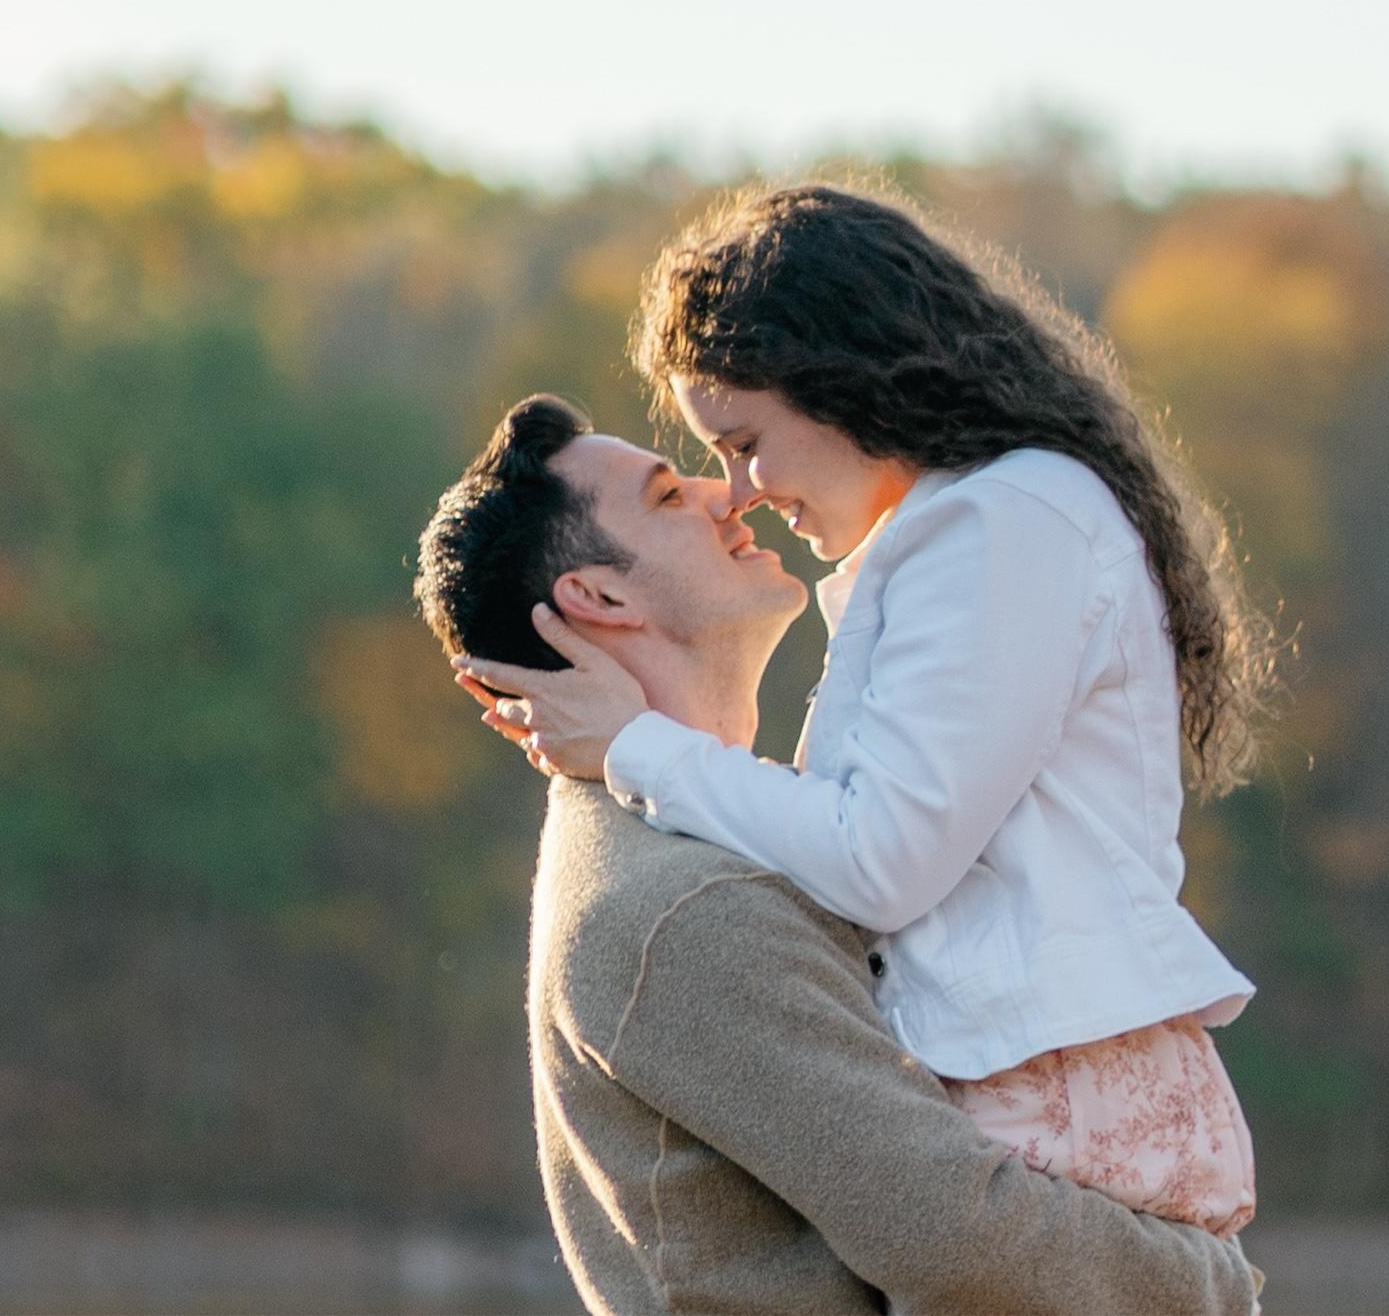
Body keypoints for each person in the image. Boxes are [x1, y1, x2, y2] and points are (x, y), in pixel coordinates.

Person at [455, 184, 1281, 1239]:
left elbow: (880, 860)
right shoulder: (968, 528)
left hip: (1058, 1100)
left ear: (840, 381)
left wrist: (635, 747)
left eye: (744, 441)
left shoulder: (1001, 521)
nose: (739, 489)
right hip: (1035, 1091)